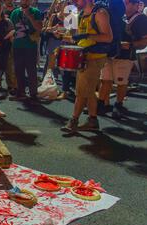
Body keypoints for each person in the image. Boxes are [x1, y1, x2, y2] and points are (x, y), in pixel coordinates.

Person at [61, 0, 113, 132]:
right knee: (88, 91)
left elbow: (108, 37)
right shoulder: (81, 14)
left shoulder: (100, 13)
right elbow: (75, 36)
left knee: (81, 91)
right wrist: (65, 35)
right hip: (83, 56)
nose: (74, 1)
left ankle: (74, 120)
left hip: (95, 57)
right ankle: (92, 120)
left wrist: (88, 35)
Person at [99, 0, 147, 118]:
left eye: (127, 3)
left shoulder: (140, 19)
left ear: (135, 5)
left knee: (121, 81)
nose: (123, 5)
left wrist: (130, 45)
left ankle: (118, 104)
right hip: (109, 54)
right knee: (105, 79)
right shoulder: (117, 16)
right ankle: (102, 103)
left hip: (125, 56)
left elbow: (145, 41)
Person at [10, 0, 42, 101]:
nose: (25, 1)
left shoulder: (36, 12)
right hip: (17, 46)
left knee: (31, 70)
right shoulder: (15, 13)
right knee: (18, 70)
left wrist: (30, 16)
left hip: (30, 46)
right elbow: (11, 28)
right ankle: (21, 92)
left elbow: (39, 28)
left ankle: (33, 94)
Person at [2, 0, 18, 96]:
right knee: (7, 63)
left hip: (15, 39)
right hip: (3, 39)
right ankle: (9, 84)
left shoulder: (16, 10)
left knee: (14, 63)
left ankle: (14, 85)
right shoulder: (1, 9)